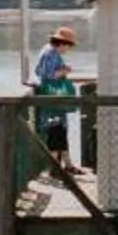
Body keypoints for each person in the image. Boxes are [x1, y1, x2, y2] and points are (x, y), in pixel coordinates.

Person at [34, 26, 77, 156]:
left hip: (49, 94)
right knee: (56, 128)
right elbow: (49, 75)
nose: (68, 50)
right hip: (52, 95)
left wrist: (63, 69)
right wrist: (64, 71)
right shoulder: (51, 54)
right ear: (63, 44)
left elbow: (37, 71)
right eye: (69, 46)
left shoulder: (47, 51)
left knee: (57, 128)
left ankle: (65, 163)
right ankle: (55, 165)